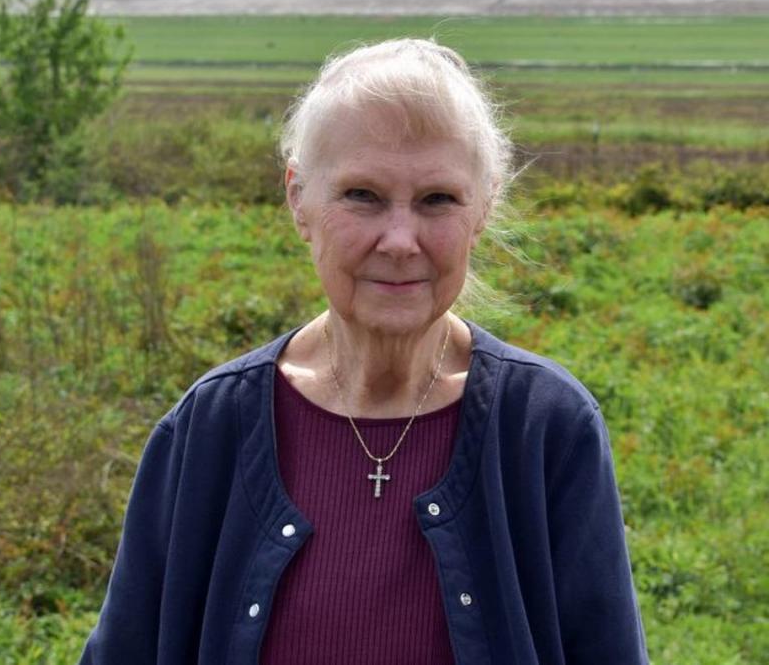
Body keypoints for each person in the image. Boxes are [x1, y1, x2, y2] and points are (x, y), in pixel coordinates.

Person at [77, 38, 649, 664]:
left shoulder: (546, 429)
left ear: (483, 206)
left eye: (438, 199)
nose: (400, 240)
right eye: (362, 196)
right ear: (299, 199)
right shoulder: (210, 428)